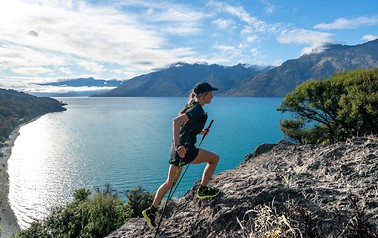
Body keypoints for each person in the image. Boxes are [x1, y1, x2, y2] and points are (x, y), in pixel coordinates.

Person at [142, 82, 221, 229]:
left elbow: (187, 127)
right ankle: (203, 189)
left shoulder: (193, 107)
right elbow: (176, 122)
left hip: (177, 151)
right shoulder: (197, 109)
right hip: (185, 151)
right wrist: (179, 145)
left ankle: (151, 210)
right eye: (210, 93)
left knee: (169, 183)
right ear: (203, 95)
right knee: (214, 159)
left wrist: (200, 131)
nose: (213, 96)